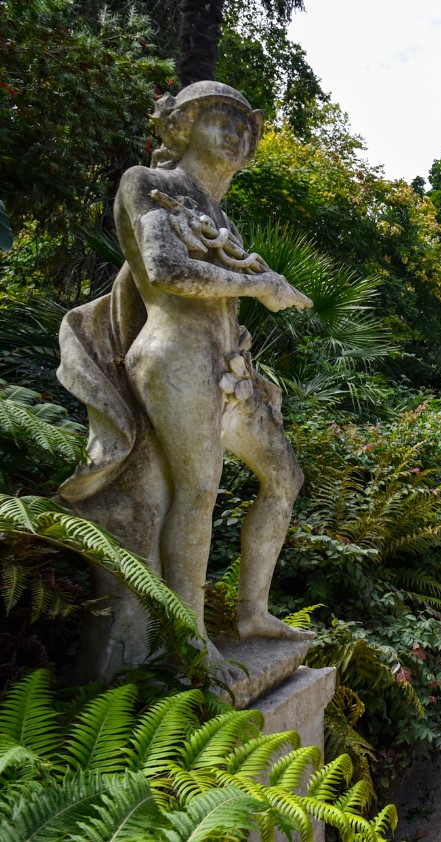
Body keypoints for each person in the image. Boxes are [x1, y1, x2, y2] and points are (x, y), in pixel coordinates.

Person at [57, 82, 313, 671]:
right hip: (175, 357)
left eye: (247, 126)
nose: (238, 133)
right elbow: (165, 269)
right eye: (223, 117)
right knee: (197, 494)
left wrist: (256, 292)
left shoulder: (218, 214)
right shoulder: (149, 184)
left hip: (230, 368)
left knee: (284, 478)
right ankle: (192, 643)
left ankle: (252, 611)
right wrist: (261, 284)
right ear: (181, 125)